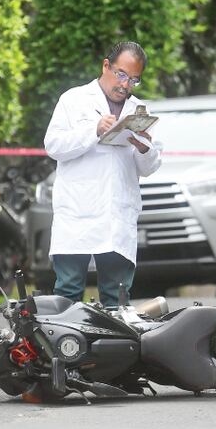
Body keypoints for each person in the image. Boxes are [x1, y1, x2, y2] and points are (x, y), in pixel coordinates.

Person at [43, 41, 162, 307]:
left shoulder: (139, 110)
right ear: (106, 65)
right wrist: (94, 130)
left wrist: (144, 148)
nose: (125, 85)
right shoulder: (73, 100)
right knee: (68, 291)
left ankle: (114, 335)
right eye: (121, 74)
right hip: (77, 212)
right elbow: (54, 146)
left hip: (118, 213)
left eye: (134, 80)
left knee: (117, 296)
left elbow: (149, 167)